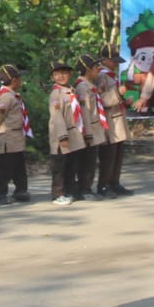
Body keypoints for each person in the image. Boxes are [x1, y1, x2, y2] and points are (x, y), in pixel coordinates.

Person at [0, 63, 31, 204]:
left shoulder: (12, 96)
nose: (21, 81)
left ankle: (21, 191)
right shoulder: (6, 97)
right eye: (19, 78)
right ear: (14, 80)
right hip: (8, 137)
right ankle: (0, 195)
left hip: (16, 137)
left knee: (19, 166)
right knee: (5, 168)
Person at [95, 48, 134, 197]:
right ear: (104, 60)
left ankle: (114, 182)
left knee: (118, 154)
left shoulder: (111, 76)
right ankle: (103, 185)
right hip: (109, 121)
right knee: (108, 156)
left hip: (118, 119)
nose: (115, 64)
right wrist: (118, 93)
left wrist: (125, 101)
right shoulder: (101, 76)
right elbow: (101, 100)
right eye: (113, 61)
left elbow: (115, 98)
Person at [48, 59, 86, 205]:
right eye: (57, 74)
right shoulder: (56, 94)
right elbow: (57, 116)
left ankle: (70, 190)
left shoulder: (71, 90)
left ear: (70, 74)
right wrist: (62, 136)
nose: (61, 76)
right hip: (61, 135)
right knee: (59, 166)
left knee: (71, 165)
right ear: (52, 77)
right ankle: (57, 194)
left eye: (64, 73)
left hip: (74, 133)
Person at [73, 54, 108, 200]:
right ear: (88, 70)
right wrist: (87, 132)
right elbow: (84, 112)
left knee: (91, 160)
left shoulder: (90, 86)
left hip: (95, 128)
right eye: (95, 67)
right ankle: (84, 188)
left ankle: (87, 187)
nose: (98, 70)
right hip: (89, 130)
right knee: (86, 161)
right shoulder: (82, 87)